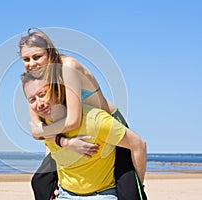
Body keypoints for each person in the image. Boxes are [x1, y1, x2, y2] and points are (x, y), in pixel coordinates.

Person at [19, 28, 147, 199]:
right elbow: (40, 126)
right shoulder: (33, 80)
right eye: (26, 59)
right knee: (40, 182)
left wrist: (40, 132)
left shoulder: (67, 67)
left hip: (104, 123)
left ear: (49, 53)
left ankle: (137, 187)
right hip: (71, 130)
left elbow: (71, 121)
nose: (32, 63)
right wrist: (63, 142)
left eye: (37, 57)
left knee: (130, 193)